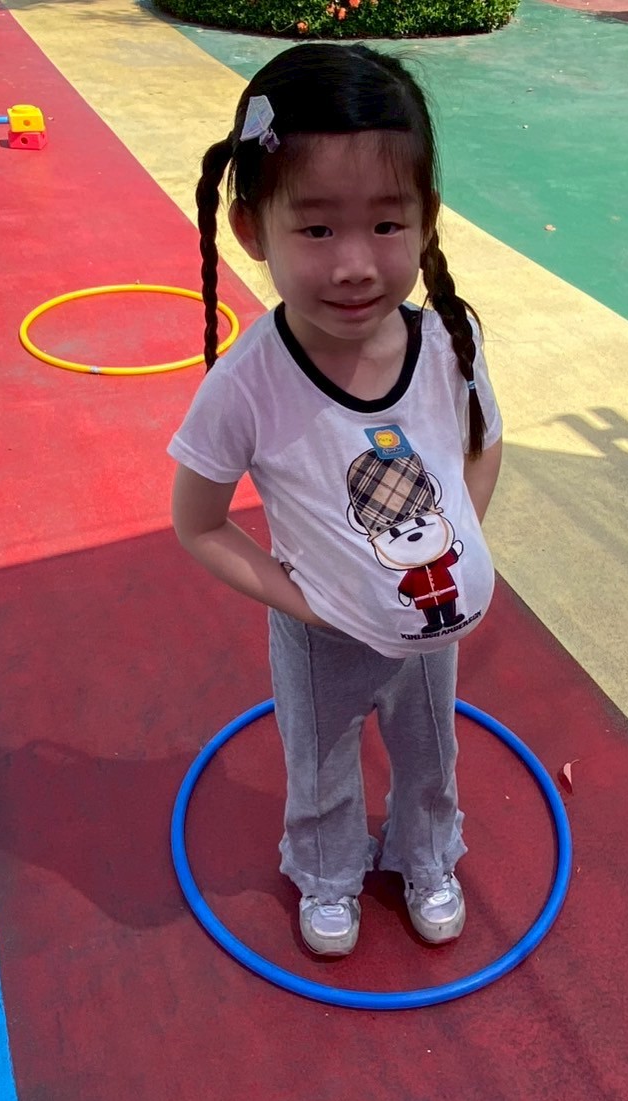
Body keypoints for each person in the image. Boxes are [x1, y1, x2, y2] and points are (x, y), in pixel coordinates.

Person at [168, 43, 504, 958]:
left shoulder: (448, 339)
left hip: (430, 622)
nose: (355, 264)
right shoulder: (246, 386)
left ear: (426, 217)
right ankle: (326, 874)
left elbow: (481, 443)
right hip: (320, 634)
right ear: (251, 227)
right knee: (318, 763)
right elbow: (198, 523)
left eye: (386, 224)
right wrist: (305, 604)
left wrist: (457, 544)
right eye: (316, 230)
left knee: (431, 750)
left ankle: (426, 855)